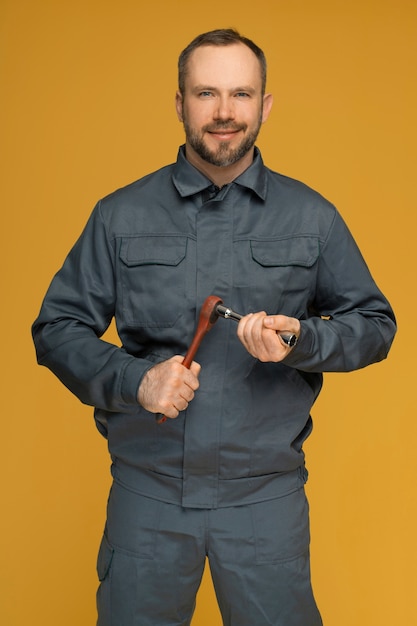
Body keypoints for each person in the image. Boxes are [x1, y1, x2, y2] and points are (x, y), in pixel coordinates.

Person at [32, 28, 396, 626]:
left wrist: (302, 341)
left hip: (264, 504)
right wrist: (135, 381)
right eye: (206, 93)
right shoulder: (120, 215)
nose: (225, 112)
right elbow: (57, 327)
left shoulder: (312, 216)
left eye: (241, 94)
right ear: (180, 103)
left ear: (265, 105)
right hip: (147, 500)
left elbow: (375, 325)